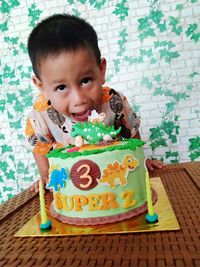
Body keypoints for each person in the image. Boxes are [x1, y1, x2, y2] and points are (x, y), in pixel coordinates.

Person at [25, 14, 164, 192]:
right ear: (41, 86)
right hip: (72, 189)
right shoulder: (41, 114)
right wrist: (45, 174)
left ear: (101, 70)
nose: (79, 99)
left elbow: (132, 135)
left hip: (115, 184)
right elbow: (40, 146)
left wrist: (142, 161)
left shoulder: (114, 101)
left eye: (85, 81)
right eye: (61, 87)